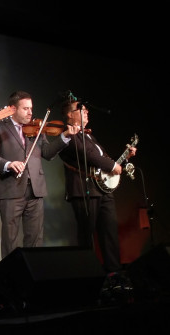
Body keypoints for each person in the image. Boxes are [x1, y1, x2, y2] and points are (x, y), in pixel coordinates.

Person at [0, 90, 79, 259]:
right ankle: (10, 279)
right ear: (13, 109)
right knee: (10, 239)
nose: (30, 112)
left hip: (36, 190)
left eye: (31, 108)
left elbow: (48, 153)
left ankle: (32, 277)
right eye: (25, 109)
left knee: (35, 239)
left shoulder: (37, 130)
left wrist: (65, 136)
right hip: (11, 190)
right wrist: (8, 164)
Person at [59, 99, 137, 274]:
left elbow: (105, 161)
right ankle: (88, 274)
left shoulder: (89, 136)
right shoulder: (68, 135)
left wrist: (124, 159)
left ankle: (114, 274)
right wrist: (111, 166)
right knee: (87, 237)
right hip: (83, 190)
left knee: (110, 233)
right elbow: (88, 156)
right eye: (82, 110)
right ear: (70, 115)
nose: (87, 112)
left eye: (87, 110)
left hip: (101, 189)